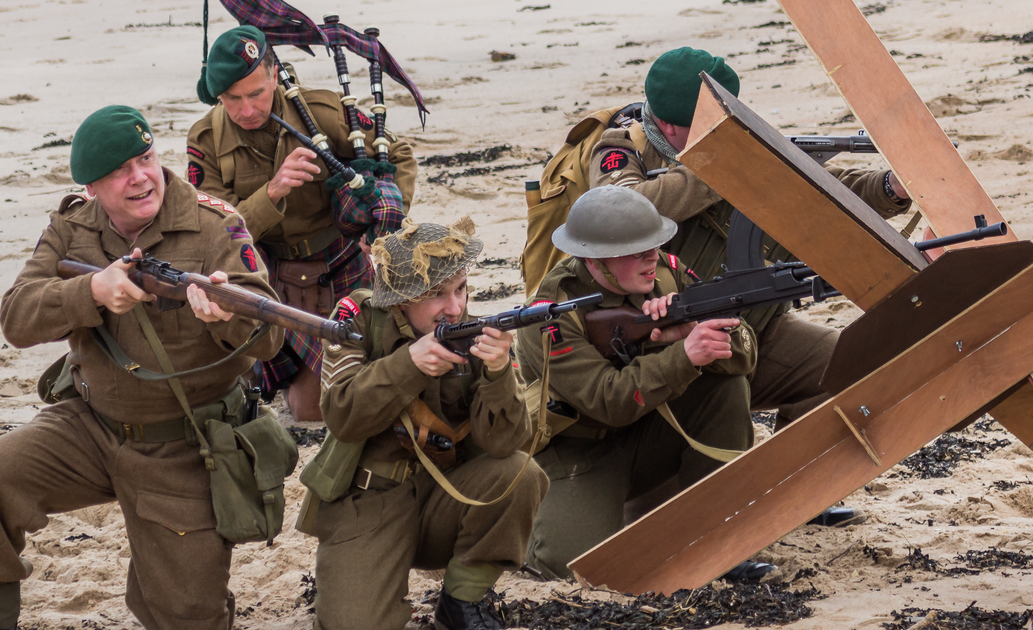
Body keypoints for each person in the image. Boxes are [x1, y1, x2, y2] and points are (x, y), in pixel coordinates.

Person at [0, 106, 289, 630]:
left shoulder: (216, 225)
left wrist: (226, 317)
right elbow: (16, 318)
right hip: (90, 426)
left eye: (146, 159)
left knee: (187, 616)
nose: (140, 178)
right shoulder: (71, 227)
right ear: (91, 188)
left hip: (185, 446)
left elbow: (271, 339)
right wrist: (91, 291)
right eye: (119, 171)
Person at [588, 47, 912, 431]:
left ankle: (797, 464)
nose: (722, 126)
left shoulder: (734, 144)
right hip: (665, 342)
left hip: (753, 328)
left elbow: (824, 189)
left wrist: (890, 187)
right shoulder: (622, 149)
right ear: (669, 126)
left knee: (846, 364)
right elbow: (623, 213)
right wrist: (719, 166)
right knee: (721, 410)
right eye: (708, 122)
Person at [299, 218, 548, 630]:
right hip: (368, 501)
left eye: (460, 289)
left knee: (519, 475)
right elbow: (342, 416)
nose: (455, 307)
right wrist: (408, 365)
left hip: (445, 497)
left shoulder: (475, 334)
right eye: (436, 295)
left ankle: (462, 599)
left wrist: (499, 372)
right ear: (401, 300)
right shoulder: (358, 322)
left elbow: (505, 444)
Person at [516, 186, 759, 581]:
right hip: (580, 452)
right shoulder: (550, 314)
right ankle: (528, 518)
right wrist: (682, 356)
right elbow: (606, 400)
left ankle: (718, 533)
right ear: (594, 259)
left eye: (654, 244)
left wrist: (695, 330)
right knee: (573, 567)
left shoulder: (667, 273)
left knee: (725, 389)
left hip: (649, 431)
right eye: (635, 250)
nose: (652, 256)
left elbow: (746, 357)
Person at [187, 25, 418, 424]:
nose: (247, 110)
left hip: (341, 265)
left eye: (256, 93)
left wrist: (383, 223)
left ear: (275, 75)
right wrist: (272, 191)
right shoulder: (205, 140)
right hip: (266, 273)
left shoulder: (321, 112)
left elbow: (396, 155)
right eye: (232, 99)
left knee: (338, 394)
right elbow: (215, 232)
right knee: (296, 402)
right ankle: (268, 365)